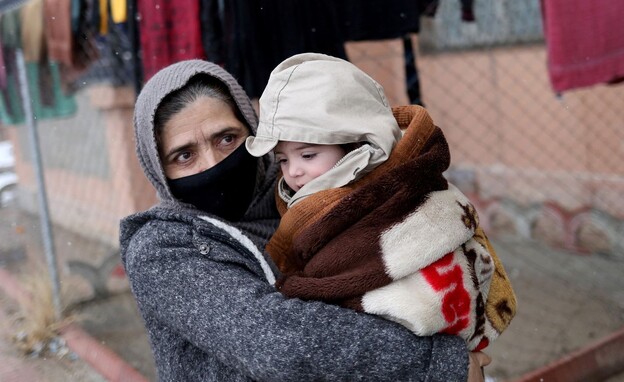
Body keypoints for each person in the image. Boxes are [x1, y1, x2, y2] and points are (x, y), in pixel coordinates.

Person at [121, 59, 491, 381]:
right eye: (184, 155)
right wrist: (438, 367)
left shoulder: (305, 195)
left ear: (254, 133)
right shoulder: (161, 249)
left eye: (226, 138)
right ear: (159, 170)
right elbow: (276, 342)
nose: (212, 163)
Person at [246, 53, 517, 352]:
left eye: (308, 155)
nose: (293, 171)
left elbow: (444, 232)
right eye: (282, 160)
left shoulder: (407, 187)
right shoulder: (298, 207)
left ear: (355, 146)